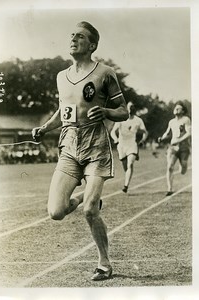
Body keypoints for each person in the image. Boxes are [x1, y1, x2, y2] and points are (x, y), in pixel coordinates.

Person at [32, 21, 128, 281]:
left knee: (89, 211)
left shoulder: (105, 73)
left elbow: (124, 111)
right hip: (69, 145)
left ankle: (104, 264)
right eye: (72, 34)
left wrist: (107, 111)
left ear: (92, 45)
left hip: (96, 144)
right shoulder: (61, 76)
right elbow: (63, 109)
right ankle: (89, 195)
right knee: (56, 212)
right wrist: (45, 128)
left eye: (81, 36)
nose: (73, 38)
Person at [110, 101, 148, 193]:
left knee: (130, 164)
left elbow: (145, 132)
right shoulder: (121, 119)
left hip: (132, 145)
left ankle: (126, 186)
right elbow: (112, 132)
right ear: (126, 108)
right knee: (126, 168)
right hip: (122, 145)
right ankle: (127, 180)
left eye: (133, 107)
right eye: (130, 107)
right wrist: (115, 139)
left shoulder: (138, 120)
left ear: (135, 109)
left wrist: (143, 140)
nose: (131, 108)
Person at [158, 101, 191, 196]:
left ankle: (183, 165)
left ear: (183, 111)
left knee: (183, 170)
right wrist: (162, 138)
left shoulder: (186, 119)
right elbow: (167, 133)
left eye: (179, 108)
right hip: (173, 147)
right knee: (170, 167)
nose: (176, 109)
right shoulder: (171, 122)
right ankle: (170, 189)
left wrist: (179, 140)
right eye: (175, 108)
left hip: (184, 147)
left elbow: (189, 133)